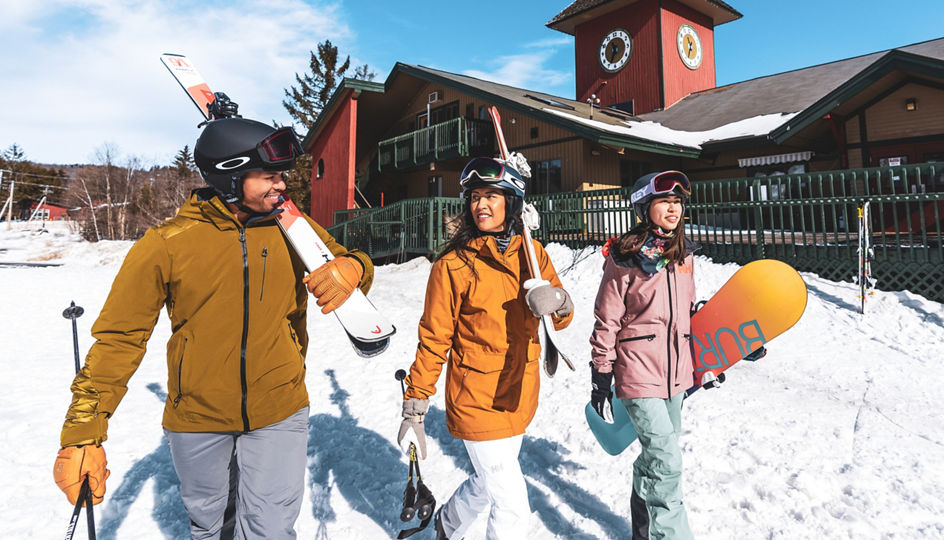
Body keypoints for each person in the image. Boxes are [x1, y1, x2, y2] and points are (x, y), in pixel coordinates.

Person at [52, 116, 374, 540]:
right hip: (198, 415)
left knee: (270, 530)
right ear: (231, 176)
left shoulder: (293, 228)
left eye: (282, 176)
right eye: (269, 177)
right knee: (210, 526)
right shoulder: (167, 244)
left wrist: (354, 267)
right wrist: (82, 433)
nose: (282, 187)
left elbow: (346, 265)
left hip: (279, 406)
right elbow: (119, 339)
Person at [396, 156, 574, 540]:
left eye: (492, 195)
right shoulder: (453, 265)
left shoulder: (534, 254)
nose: (481, 205)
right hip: (476, 395)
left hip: (519, 391)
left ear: (511, 201)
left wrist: (557, 301)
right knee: (511, 504)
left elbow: (561, 319)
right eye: (475, 196)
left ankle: (446, 525)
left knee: (487, 481)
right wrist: (415, 403)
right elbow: (434, 337)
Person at [590, 170, 699, 540]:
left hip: (676, 375)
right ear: (645, 206)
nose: (674, 208)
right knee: (667, 463)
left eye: (678, 202)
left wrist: (736, 342)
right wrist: (601, 373)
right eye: (665, 201)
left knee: (657, 456)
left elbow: (688, 315)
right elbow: (607, 319)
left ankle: (641, 527)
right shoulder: (625, 258)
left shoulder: (684, 256)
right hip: (637, 372)